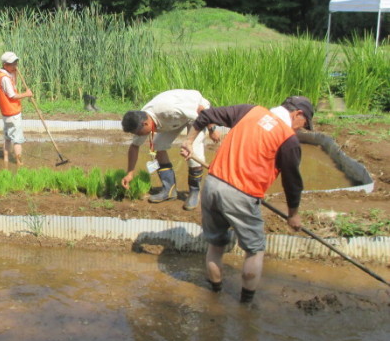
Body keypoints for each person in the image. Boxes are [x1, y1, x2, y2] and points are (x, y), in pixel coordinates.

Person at [179, 96, 315, 303]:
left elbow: (205, 115)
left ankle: (214, 295)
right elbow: (292, 183)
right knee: (255, 249)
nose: (300, 129)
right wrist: (293, 215)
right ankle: (246, 305)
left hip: (213, 184)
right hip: (241, 193)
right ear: (298, 114)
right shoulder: (288, 139)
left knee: (215, 245)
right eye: (303, 124)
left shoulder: (249, 111)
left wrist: (188, 141)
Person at [121, 89, 220, 210]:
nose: (138, 135)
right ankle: (169, 190)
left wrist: (212, 129)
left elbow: (202, 112)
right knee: (157, 146)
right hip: (175, 120)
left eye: (137, 133)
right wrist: (130, 173)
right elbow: (134, 146)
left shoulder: (168, 110)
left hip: (196, 114)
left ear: (146, 124)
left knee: (193, 152)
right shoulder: (140, 121)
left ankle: (194, 192)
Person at [0, 51, 33, 165]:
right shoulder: (5, 78)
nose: (15, 66)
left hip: (6, 112)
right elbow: (12, 95)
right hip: (12, 112)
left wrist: (14, 73)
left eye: (16, 63)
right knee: (17, 139)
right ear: (5, 65)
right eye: (12, 64)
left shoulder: (2, 73)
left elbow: (13, 85)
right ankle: (19, 162)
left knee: (7, 137)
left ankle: (6, 160)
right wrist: (26, 94)